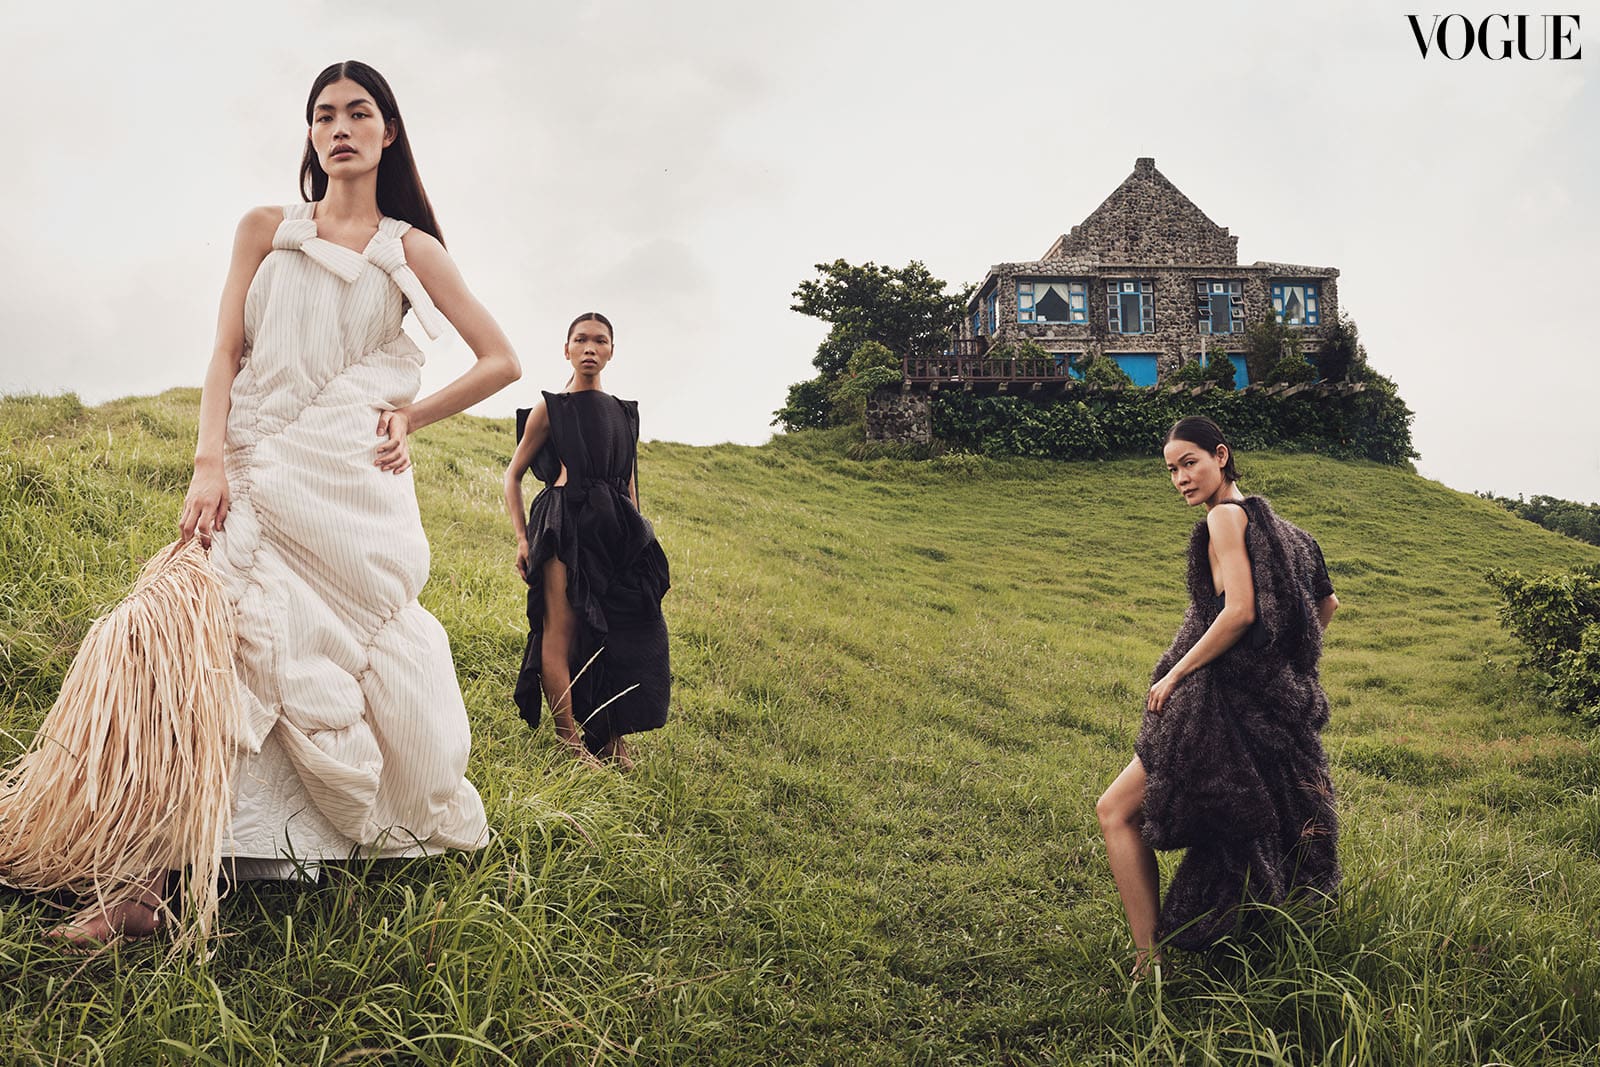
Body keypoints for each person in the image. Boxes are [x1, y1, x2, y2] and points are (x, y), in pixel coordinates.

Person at [35, 60, 519, 946]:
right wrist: (208, 460)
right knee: (196, 640)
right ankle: (147, 873)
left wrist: (410, 414)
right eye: (324, 114)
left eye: (359, 112)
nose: (340, 127)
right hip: (253, 470)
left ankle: (180, 876)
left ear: (388, 132)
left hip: (345, 487)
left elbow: (500, 359)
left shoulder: (411, 249)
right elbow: (225, 352)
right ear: (310, 134)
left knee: (297, 655)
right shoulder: (264, 227)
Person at [1096, 416, 1340, 974]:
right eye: (1172, 470)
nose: (1181, 478)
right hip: (1269, 708)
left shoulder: (1224, 519)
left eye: (1191, 463)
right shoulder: (1290, 533)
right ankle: (1254, 950)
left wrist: (1175, 674)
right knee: (1259, 823)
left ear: (1221, 455)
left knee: (1114, 811)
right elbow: (1325, 606)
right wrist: (1279, 669)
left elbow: (1240, 612)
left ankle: (1146, 959)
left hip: (1217, 707)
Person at [503, 313, 670, 770]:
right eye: (581, 340)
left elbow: (630, 484)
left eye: (600, 340)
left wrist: (639, 538)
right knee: (561, 630)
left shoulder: (625, 413)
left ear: (612, 350)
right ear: (567, 350)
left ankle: (611, 735)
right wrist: (522, 539)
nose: (590, 348)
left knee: (617, 628)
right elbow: (513, 475)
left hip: (615, 528)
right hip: (564, 524)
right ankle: (570, 742)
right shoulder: (552, 408)